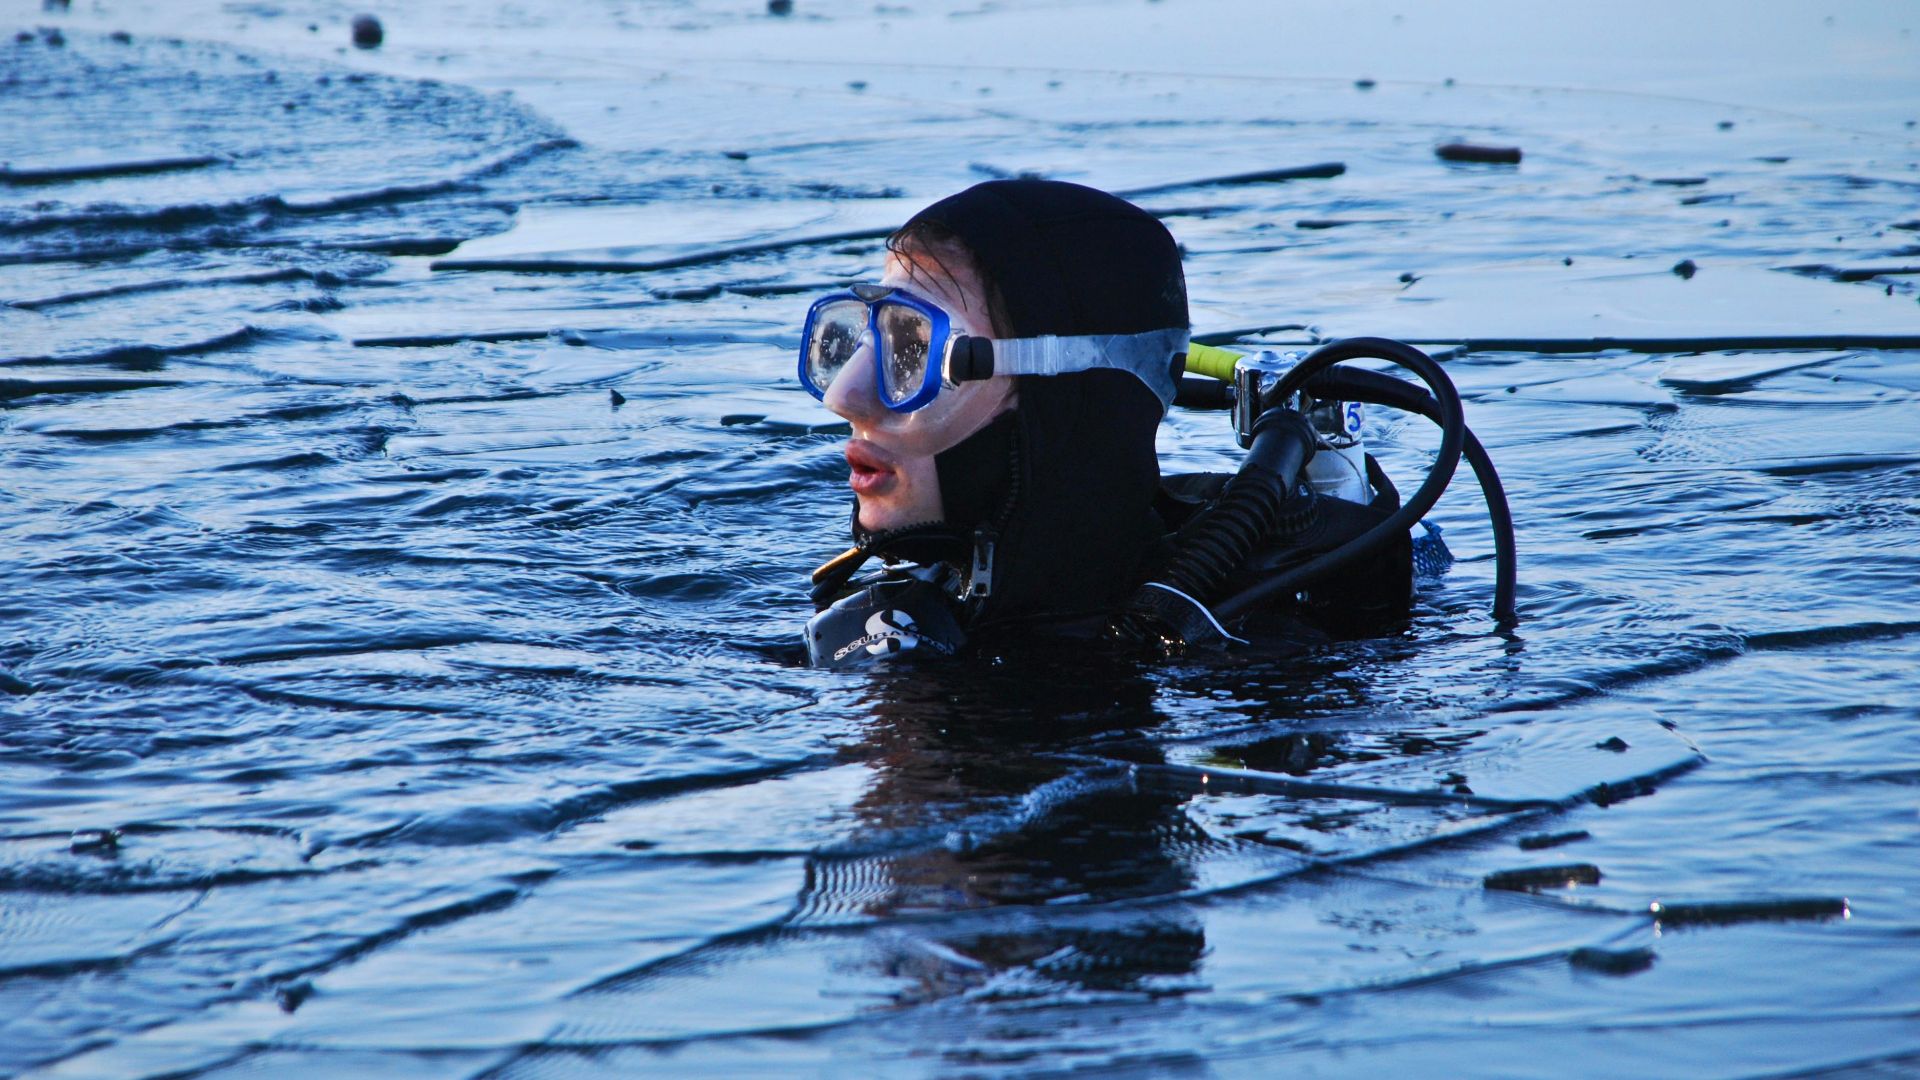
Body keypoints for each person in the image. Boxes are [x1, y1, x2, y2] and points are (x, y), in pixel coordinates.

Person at [800, 179, 1415, 667]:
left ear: (1062, 400)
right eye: (864, 340)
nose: (847, 398)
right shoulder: (931, 590)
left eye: (914, 352)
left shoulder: (1247, 646)